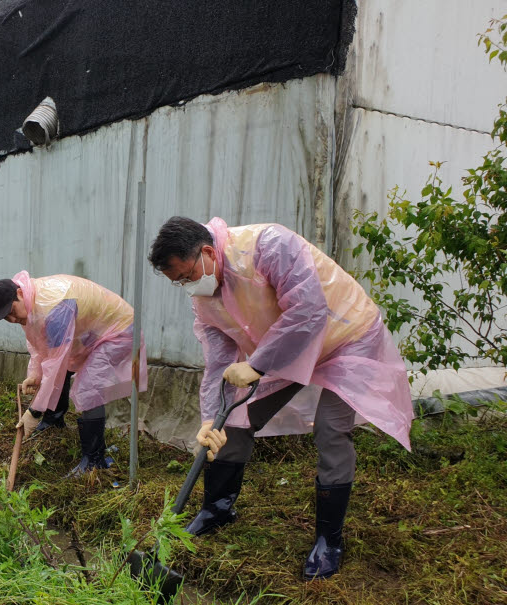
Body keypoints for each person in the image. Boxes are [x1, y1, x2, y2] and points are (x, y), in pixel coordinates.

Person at [148, 216, 413, 579]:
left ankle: (328, 541)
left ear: (207, 253)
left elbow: (308, 311)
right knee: (234, 418)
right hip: (284, 345)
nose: (187, 287)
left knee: (331, 430)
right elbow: (219, 366)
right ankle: (217, 510)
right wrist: (211, 418)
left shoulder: (269, 246)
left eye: (186, 276)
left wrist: (256, 364)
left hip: (345, 336)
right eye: (177, 282)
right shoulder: (206, 298)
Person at [0, 273, 147, 476]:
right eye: (5, 318)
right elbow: (39, 346)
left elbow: (55, 365)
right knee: (65, 367)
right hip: (93, 332)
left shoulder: (55, 308)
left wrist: (35, 411)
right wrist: (35, 374)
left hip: (120, 331)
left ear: (19, 293)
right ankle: (54, 419)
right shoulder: (31, 300)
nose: (13, 319)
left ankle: (94, 461)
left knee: (88, 387)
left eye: (11, 311)